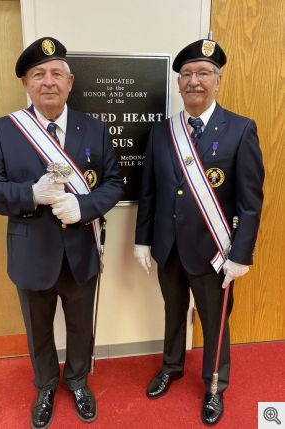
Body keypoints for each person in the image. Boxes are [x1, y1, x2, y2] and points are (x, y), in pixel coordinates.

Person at [0, 37, 123, 428]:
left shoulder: (94, 129)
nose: (48, 81)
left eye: (56, 73)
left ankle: (76, 380)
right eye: (38, 74)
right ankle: (44, 385)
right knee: (38, 328)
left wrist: (85, 206)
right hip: (31, 254)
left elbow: (114, 182)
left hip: (80, 251)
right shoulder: (4, 131)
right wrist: (30, 194)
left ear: (70, 82)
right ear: (26, 83)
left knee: (80, 326)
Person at [134, 39, 264, 425]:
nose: (194, 81)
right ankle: (171, 367)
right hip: (168, 247)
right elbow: (150, 192)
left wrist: (241, 254)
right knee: (172, 312)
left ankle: (214, 384)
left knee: (214, 320)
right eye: (187, 74)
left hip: (214, 253)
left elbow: (250, 201)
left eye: (203, 73)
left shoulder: (241, 130)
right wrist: (143, 239)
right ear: (178, 84)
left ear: (217, 81)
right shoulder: (162, 132)